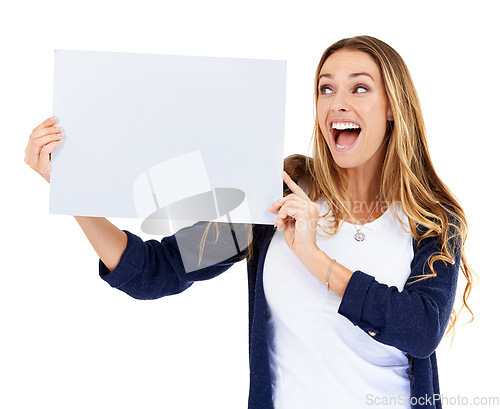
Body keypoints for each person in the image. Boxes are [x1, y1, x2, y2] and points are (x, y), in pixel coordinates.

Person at [25, 35, 474, 409]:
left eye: (359, 88)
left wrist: (313, 257)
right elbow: (157, 270)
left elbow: (420, 330)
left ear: (393, 106)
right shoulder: (277, 194)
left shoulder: (430, 218)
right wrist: (71, 189)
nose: (338, 103)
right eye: (325, 88)